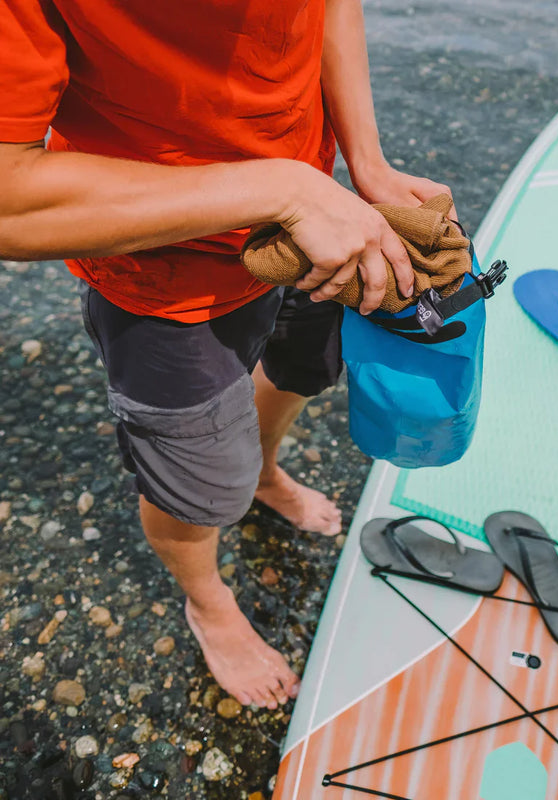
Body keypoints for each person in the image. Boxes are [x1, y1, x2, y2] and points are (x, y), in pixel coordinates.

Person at [0, 0, 453, 711]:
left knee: (307, 369)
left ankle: (265, 472)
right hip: (163, 272)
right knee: (201, 488)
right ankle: (208, 603)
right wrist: (281, 187)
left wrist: (365, 162)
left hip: (316, 220)